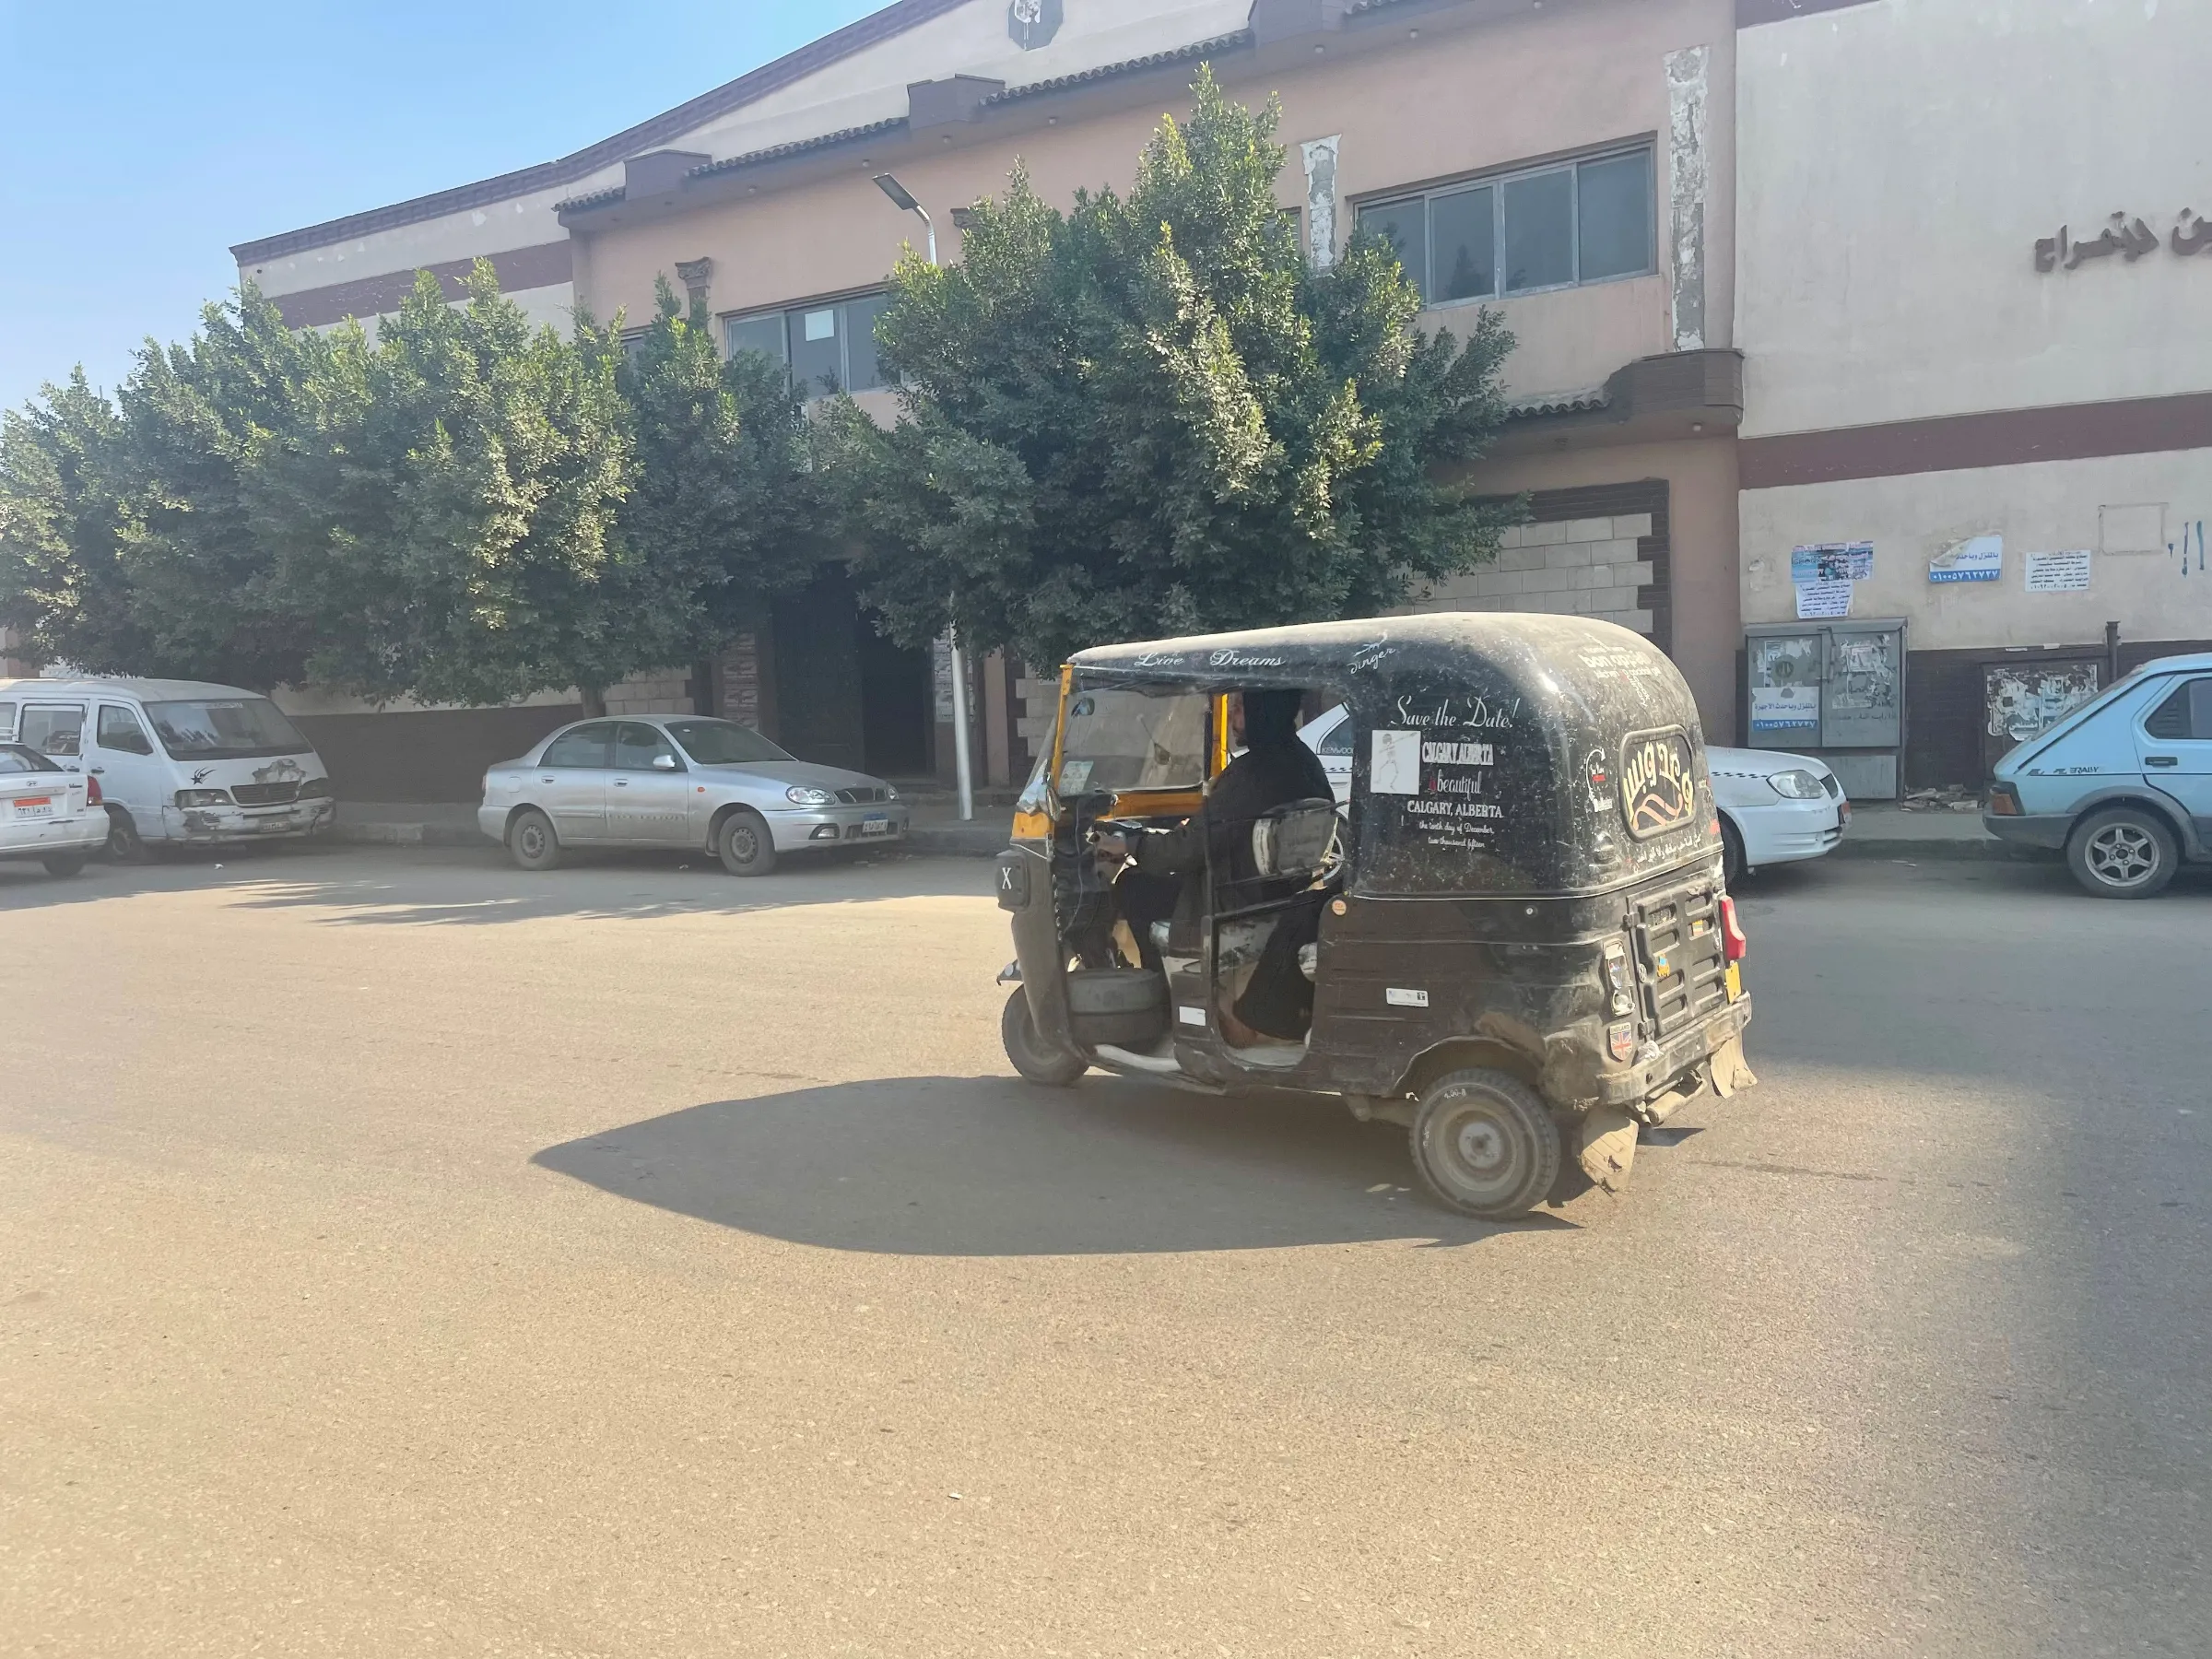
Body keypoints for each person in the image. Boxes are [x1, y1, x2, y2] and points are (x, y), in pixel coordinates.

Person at [1100, 688, 1334, 1043]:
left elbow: (1184, 852)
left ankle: (1163, 1007)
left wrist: (1134, 842)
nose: (1233, 717)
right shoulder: (1304, 761)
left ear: (1261, 713)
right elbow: (1213, 833)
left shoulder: (1253, 772)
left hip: (1234, 901)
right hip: (1281, 892)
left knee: (1135, 885)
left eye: (1239, 709)